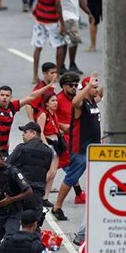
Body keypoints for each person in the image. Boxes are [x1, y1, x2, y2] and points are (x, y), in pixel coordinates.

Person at [51, 74, 100, 221]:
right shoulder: (81, 103)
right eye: (94, 88)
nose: (97, 90)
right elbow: (75, 101)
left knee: (98, 176)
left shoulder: (92, 102)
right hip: (80, 147)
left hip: (94, 147)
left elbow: (105, 91)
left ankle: (97, 202)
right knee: (71, 177)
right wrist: (86, 86)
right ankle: (57, 207)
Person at [0, 70, 51, 156]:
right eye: (2, 95)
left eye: (7, 95)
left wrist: (48, 86)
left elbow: (32, 96)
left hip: (4, 150)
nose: (4, 98)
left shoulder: (12, 106)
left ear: (11, 97)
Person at [7, 122, 53, 219]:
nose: (23, 134)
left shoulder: (21, 148)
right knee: (34, 223)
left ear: (34, 134)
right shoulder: (48, 151)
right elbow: (46, 169)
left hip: (21, 190)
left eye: (25, 132)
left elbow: (8, 165)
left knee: (15, 221)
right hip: (38, 192)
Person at [31, 0, 67, 81]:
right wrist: (62, 23)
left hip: (40, 18)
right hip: (52, 19)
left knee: (38, 46)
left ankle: (35, 75)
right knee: (60, 45)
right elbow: (58, 4)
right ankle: (57, 75)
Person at [56, 0, 93, 74]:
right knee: (69, 42)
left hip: (74, 15)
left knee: (71, 42)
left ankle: (68, 65)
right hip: (66, 15)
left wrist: (89, 13)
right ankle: (65, 66)